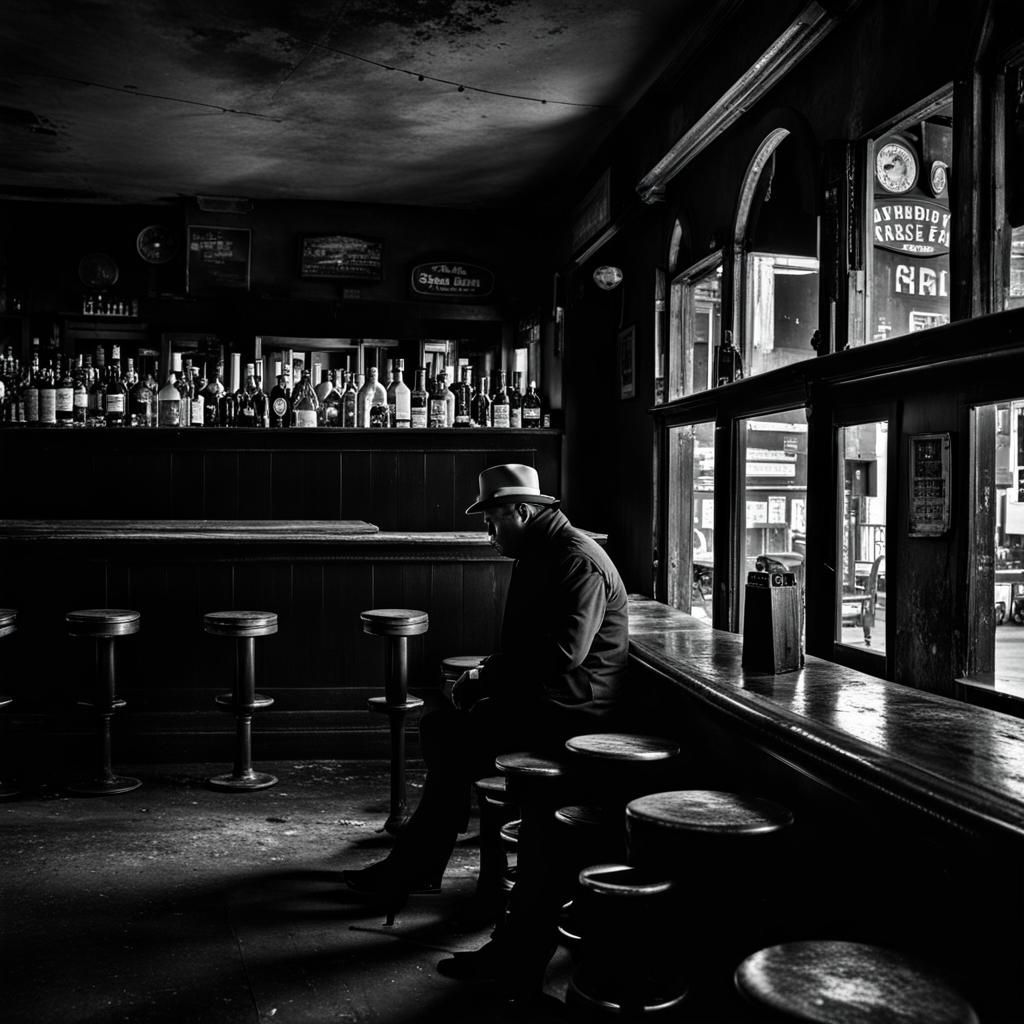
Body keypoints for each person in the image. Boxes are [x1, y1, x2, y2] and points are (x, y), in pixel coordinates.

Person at [342, 462, 630, 1000]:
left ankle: (434, 880)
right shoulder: (541, 549)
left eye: (493, 521)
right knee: (447, 732)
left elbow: (564, 654)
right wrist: (488, 680)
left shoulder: (574, 558)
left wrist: (486, 676)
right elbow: (535, 650)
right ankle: (419, 866)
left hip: (574, 719)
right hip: (549, 705)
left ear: (521, 511)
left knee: (457, 741)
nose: (487, 533)